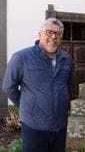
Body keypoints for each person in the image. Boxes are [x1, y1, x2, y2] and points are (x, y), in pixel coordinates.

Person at [2, 18, 73, 152]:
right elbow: (8, 87)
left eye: (58, 34)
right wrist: (27, 106)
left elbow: (67, 85)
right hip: (34, 126)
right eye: (49, 32)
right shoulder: (21, 57)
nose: (54, 37)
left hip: (60, 125)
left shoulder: (67, 59)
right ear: (40, 34)